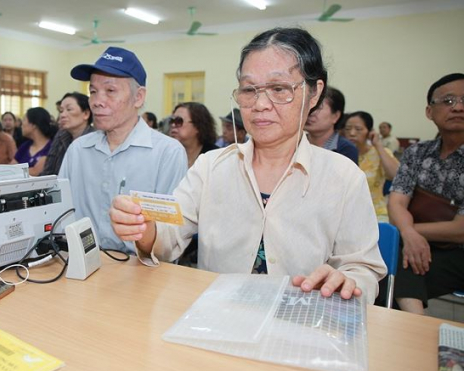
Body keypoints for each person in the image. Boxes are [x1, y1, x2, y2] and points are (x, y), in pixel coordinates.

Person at [110, 28, 386, 299]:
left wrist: (348, 281)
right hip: (218, 316)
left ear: (314, 94)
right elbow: (167, 239)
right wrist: (145, 230)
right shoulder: (211, 167)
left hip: (302, 324)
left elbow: (363, 269)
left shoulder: (343, 177)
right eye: (249, 89)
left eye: (279, 88)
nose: (260, 104)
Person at [60, 46, 187, 254]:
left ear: (138, 97)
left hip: (143, 269)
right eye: (93, 91)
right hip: (83, 263)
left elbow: (171, 236)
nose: (97, 102)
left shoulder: (167, 153)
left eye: (110, 91)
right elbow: (61, 217)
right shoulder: (78, 151)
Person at [389, 73, 464, 315]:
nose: (459, 107)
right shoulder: (416, 153)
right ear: (429, 112)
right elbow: (397, 202)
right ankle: (415, 324)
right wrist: (409, 234)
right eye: (449, 101)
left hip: (458, 254)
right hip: (415, 245)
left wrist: (410, 232)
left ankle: (413, 324)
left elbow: (460, 230)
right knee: (388, 264)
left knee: (393, 273)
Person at [343, 111, 399, 222]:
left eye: (358, 129)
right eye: (348, 129)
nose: (352, 133)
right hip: (345, 214)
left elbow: (396, 175)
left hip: (375, 214)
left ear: (370, 132)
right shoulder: (341, 153)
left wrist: (378, 145)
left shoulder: (380, 153)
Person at [41, 92, 94, 176]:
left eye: (69, 109)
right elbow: (48, 171)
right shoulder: (61, 135)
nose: (62, 115)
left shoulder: (96, 138)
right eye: (61, 111)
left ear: (86, 114)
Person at [304, 87, 358, 164]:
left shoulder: (346, 149)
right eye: (310, 106)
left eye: (318, 108)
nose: (311, 113)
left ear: (335, 116)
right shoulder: (295, 144)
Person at [169, 102, 218, 168]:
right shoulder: (168, 154)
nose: (173, 125)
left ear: (198, 126)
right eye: (171, 121)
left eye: (179, 121)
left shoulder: (215, 157)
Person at [11, 107, 55, 175]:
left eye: (24, 119)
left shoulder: (51, 148)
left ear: (34, 125)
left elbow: (36, 172)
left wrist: (15, 172)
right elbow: (11, 168)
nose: (21, 124)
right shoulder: (25, 146)